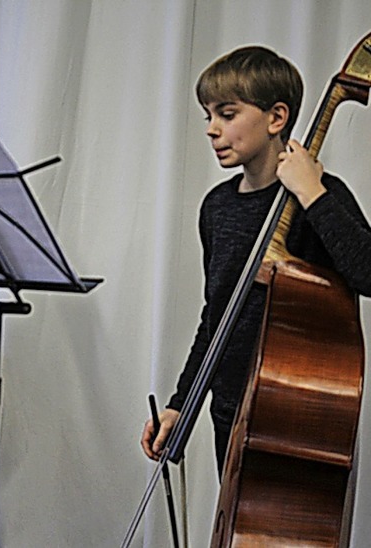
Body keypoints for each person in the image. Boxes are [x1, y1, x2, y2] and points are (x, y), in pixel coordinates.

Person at [140, 46, 371, 477]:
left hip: (297, 417)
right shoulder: (217, 208)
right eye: (207, 116)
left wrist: (311, 194)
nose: (211, 129)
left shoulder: (321, 197)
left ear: (276, 118)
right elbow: (217, 315)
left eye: (226, 114)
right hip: (230, 412)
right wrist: (181, 403)